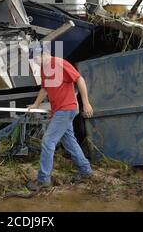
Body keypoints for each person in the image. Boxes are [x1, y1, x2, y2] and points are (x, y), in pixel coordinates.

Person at [27, 44, 94, 191]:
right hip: (60, 110)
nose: (35, 62)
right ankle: (85, 170)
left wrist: (86, 103)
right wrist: (36, 104)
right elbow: (45, 88)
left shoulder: (59, 63)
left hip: (67, 109)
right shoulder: (45, 70)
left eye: (36, 58)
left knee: (48, 141)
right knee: (69, 141)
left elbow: (79, 79)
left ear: (44, 53)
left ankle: (43, 179)